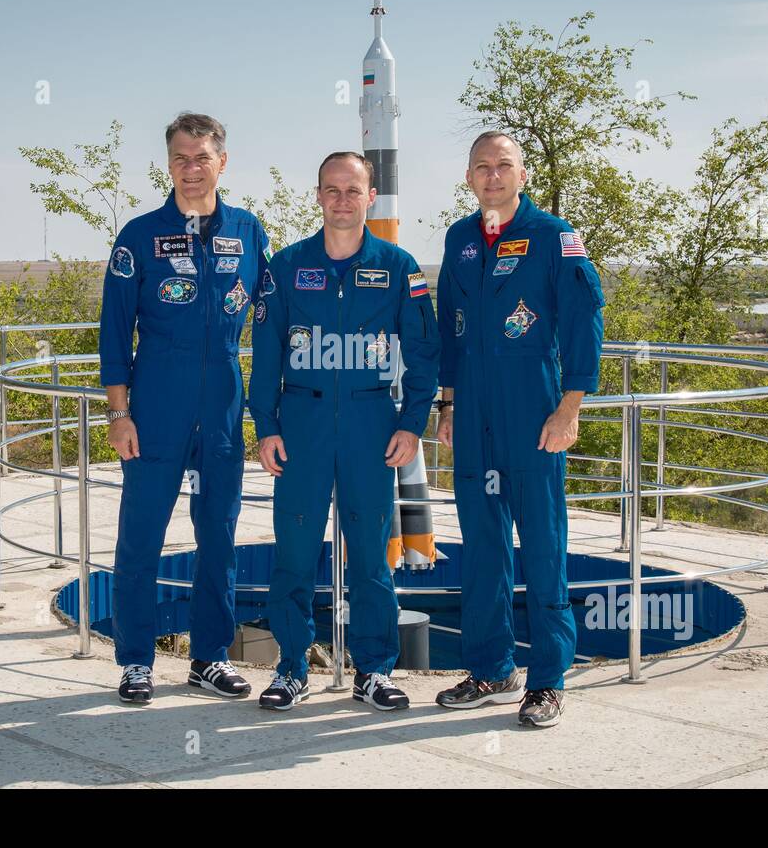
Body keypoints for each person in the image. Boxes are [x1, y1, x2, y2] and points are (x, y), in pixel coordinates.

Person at [248, 152, 439, 711]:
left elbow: (424, 355)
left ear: (369, 197)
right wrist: (267, 427)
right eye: (331, 190)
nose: (342, 200)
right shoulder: (284, 267)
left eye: (352, 190)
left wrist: (412, 424)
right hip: (301, 426)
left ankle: (374, 670)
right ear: (317, 196)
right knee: (295, 553)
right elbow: (264, 356)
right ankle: (290, 667)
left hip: (371, 426)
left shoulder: (398, 266)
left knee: (371, 558)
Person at [433, 131, 604, 727]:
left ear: (522, 175)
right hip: (474, 417)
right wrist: (448, 405)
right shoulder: (459, 240)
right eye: (481, 166)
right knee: (481, 547)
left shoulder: (556, 238)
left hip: (534, 415)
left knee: (542, 545)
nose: (492, 176)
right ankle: (492, 669)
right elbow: (450, 333)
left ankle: (549, 679)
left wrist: (571, 407)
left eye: (503, 166)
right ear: (469, 176)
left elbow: (584, 324)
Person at [99, 112, 270, 705]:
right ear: (167, 164)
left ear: (223, 162)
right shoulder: (139, 236)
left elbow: (274, 320)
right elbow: (115, 333)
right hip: (156, 397)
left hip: (222, 394)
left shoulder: (249, 232)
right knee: (141, 534)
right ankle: (136, 661)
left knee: (219, 534)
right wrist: (120, 413)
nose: (191, 169)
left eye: (202, 158)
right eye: (180, 158)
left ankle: (210, 657)